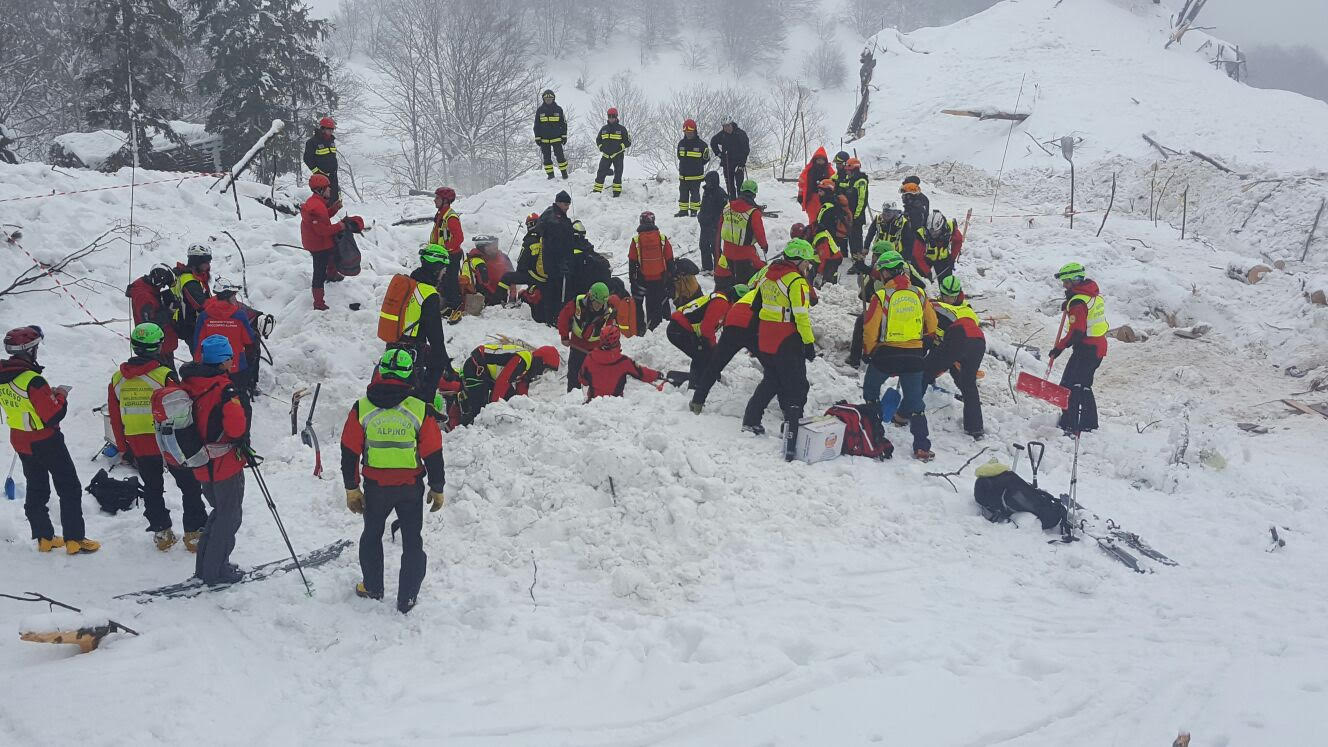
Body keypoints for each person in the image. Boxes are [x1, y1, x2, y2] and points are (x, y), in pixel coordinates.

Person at [340, 349, 445, 614]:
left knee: (372, 536)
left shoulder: (361, 408)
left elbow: (349, 451)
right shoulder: (420, 409)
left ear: (380, 372)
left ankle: (372, 587)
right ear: (410, 375)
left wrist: (352, 488)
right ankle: (407, 598)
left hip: (376, 489)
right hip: (410, 488)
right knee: (412, 542)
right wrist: (437, 486)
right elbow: (433, 452)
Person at [108, 323, 206, 551]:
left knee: (152, 488)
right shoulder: (165, 376)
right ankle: (194, 533)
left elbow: (115, 416)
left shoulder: (117, 379)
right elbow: (183, 409)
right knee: (189, 485)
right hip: (168, 440)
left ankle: (161, 533)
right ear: (159, 346)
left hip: (138, 442)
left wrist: (123, 446)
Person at [0, 326, 98, 554]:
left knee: (37, 486)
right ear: (29, 351)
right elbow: (53, 414)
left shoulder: (4, 376)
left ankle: (44, 537)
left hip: (20, 439)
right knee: (69, 487)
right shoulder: (33, 380)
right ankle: (75, 539)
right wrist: (60, 395)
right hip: (45, 439)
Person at [181, 335, 250, 584]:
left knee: (219, 512)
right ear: (223, 361)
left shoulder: (191, 383)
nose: (233, 360)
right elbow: (235, 428)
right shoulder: (223, 389)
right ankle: (215, 572)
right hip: (223, 463)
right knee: (229, 516)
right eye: (230, 356)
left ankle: (206, 567)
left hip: (200, 460)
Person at [742, 240, 818, 461]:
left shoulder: (767, 275)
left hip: (766, 337)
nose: (809, 268)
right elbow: (801, 315)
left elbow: (755, 307)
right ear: (800, 260)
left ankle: (751, 419)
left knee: (772, 380)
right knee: (797, 384)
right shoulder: (796, 282)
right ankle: (792, 435)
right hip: (787, 338)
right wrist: (808, 342)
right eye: (808, 263)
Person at [860, 251, 939, 462]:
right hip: (914, 355)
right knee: (915, 400)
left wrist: (869, 351)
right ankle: (922, 446)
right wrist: (925, 341)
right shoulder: (920, 294)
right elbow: (932, 324)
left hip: (887, 354)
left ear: (887, 272)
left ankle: (874, 434)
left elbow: (869, 328)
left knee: (871, 389)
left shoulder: (881, 297)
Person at [1050, 262, 1108, 434]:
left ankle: (1070, 425)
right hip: (1098, 347)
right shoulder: (1092, 294)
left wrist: (1059, 348)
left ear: (1075, 280)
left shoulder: (1077, 303)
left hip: (1086, 348)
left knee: (1070, 385)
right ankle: (1089, 423)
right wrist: (1070, 305)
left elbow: (1077, 332)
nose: (1064, 285)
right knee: (1083, 385)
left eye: (1066, 282)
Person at [394, 244, 455, 402]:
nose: (444, 272)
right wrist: (447, 367)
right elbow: (436, 338)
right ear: (436, 268)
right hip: (413, 350)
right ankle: (425, 403)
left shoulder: (410, 283)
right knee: (436, 363)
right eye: (443, 268)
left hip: (395, 343)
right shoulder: (428, 294)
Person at [927, 275, 985, 438]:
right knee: (967, 383)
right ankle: (975, 427)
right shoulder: (967, 311)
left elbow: (939, 312)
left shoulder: (956, 309)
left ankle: (908, 411)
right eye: (946, 295)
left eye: (952, 296)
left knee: (926, 370)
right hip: (975, 344)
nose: (949, 299)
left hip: (957, 342)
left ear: (959, 294)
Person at [688, 282, 760, 413]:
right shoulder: (774, 293)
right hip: (751, 325)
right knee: (773, 369)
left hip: (732, 324)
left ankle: (697, 402)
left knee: (714, 366)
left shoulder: (748, 294)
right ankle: (784, 405)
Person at [301, 173, 364, 310]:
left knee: (332, 253)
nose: (330, 190)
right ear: (320, 190)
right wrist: (340, 226)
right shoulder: (316, 207)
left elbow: (323, 218)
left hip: (315, 241)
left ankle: (332, 275)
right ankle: (318, 303)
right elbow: (322, 230)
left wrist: (334, 209)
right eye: (327, 188)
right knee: (319, 271)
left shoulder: (316, 202)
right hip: (318, 244)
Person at [458, 344, 561, 425]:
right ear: (541, 362)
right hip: (475, 366)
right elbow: (503, 381)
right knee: (478, 408)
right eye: (545, 369)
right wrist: (494, 409)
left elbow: (521, 392)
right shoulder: (523, 359)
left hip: (487, 374)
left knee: (510, 398)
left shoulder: (528, 367)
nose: (542, 373)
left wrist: (524, 411)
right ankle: (464, 430)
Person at [668, 284, 745, 388]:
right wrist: (713, 347)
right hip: (678, 329)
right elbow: (706, 328)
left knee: (704, 354)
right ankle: (695, 386)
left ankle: (699, 381)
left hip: (682, 328)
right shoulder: (721, 303)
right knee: (701, 356)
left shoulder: (721, 299)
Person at [194, 286, 260, 399]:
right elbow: (249, 340)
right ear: (228, 297)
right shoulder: (239, 315)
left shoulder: (204, 316)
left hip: (212, 367)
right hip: (236, 366)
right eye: (233, 296)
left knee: (214, 399)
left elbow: (197, 343)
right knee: (239, 399)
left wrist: (198, 363)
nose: (235, 299)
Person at [557, 281, 617, 391]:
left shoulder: (608, 311)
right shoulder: (577, 302)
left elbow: (609, 331)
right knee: (574, 374)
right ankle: (572, 397)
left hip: (595, 348)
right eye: (597, 303)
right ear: (590, 297)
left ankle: (595, 400)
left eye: (601, 303)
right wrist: (564, 336)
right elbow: (563, 318)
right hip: (577, 345)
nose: (599, 306)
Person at [578, 326, 662, 400]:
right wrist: (657, 375)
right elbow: (642, 374)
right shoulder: (623, 361)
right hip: (615, 405)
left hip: (593, 405)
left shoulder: (590, 358)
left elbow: (583, 380)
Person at [715, 179, 769, 293]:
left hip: (727, 253)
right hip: (745, 256)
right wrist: (764, 245)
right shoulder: (753, 213)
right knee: (746, 288)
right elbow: (759, 232)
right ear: (754, 194)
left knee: (725, 286)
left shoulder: (727, 207)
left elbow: (719, 228)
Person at [628, 211, 676, 331]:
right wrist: (671, 278)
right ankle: (666, 327)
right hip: (661, 279)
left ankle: (646, 328)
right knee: (663, 303)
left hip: (644, 280)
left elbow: (632, 262)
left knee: (647, 305)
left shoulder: (636, 240)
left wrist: (633, 281)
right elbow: (670, 260)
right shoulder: (662, 238)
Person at [127, 264, 182, 367]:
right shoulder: (144, 296)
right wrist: (169, 311)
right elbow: (149, 324)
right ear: (158, 281)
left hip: (161, 344)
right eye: (163, 285)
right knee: (167, 380)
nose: (162, 287)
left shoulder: (149, 289)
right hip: (154, 347)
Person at [538, 191, 576, 325]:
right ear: (559, 203)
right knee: (556, 290)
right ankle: (554, 318)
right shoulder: (554, 220)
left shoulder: (554, 215)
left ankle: (553, 317)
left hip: (554, 260)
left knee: (554, 289)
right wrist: (563, 262)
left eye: (569, 205)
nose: (567, 207)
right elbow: (559, 244)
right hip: (555, 262)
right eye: (565, 204)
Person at [428, 186, 465, 323]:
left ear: (445, 200)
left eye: (437, 198)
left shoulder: (450, 217)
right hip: (442, 255)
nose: (434, 200)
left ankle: (456, 306)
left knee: (451, 281)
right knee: (444, 281)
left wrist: (445, 249)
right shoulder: (441, 215)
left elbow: (459, 238)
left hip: (451, 255)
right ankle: (449, 305)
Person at [173, 244, 213, 353]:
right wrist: (222, 303)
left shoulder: (194, 276)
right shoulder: (189, 281)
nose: (209, 264)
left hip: (191, 323)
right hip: (192, 326)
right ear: (197, 261)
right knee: (201, 357)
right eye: (206, 261)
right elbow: (201, 305)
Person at [460, 235, 513, 308]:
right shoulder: (475, 261)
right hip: (482, 301)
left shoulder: (503, 258)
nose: (496, 247)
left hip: (501, 300)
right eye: (492, 245)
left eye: (496, 245)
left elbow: (512, 278)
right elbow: (471, 284)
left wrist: (512, 298)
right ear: (483, 247)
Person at [813, 179, 849, 286]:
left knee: (826, 267)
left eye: (821, 191)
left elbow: (820, 225)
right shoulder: (834, 205)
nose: (819, 194)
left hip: (826, 243)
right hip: (832, 243)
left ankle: (827, 285)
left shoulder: (827, 207)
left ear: (828, 192)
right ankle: (832, 284)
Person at [592, 108, 631, 197]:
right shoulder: (604, 129)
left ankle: (616, 194)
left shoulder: (622, 129)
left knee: (618, 174)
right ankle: (596, 192)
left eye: (613, 116)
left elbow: (628, 142)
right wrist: (601, 147)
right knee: (600, 173)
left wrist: (620, 147)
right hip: (606, 156)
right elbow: (598, 140)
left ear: (616, 117)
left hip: (618, 155)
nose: (611, 118)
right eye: (609, 116)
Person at [917, 210, 964, 283]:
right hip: (926, 259)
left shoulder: (950, 228)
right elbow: (918, 256)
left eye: (936, 232)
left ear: (942, 226)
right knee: (919, 281)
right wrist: (927, 272)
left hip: (943, 259)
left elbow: (958, 241)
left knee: (946, 282)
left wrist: (952, 258)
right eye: (931, 232)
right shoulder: (921, 234)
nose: (933, 235)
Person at [836, 157, 870, 258]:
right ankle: (854, 258)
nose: (847, 172)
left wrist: (856, 216)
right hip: (850, 215)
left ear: (854, 170)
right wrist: (836, 183)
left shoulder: (861, 181)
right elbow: (846, 185)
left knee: (856, 238)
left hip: (857, 216)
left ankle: (859, 260)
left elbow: (862, 200)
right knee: (851, 237)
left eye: (848, 170)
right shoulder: (851, 180)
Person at [675, 119, 710, 216]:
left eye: (690, 132)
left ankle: (694, 212)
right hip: (683, 176)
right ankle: (683, 211)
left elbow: (706, 158)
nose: (688, 134)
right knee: (683, 194)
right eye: (686, 132)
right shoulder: (681, 143)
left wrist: (696, 165)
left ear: (695, 131)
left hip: (696, 177)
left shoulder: (702, 145)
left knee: (695, 195)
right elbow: (679, 156)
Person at [303, 116, 340, 204]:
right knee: (324, 198)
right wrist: (317, 172)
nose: (331, 131)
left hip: (333, 175)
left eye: (332, 129)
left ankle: (334, 213)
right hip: (321, 177)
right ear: (322, 129)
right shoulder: (312, 142)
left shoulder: (331, 141)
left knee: (334, 197)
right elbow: (307, 159)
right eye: (329, 129)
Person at [709, 119, 750, 198]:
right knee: (730, 185)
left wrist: (742, 163)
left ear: (732, 124)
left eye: (728, 126)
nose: (727, 128)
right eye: (724, 126)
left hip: (739, 163)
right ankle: (732, 202)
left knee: (739, 184)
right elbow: (713, 142)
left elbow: (746, 149)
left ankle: (741, 202)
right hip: (727, 163)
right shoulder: (722, 135)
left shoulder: (740, 134)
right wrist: (719, 154)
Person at [534, 89, 569, 179]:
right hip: (544, 140)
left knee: (560, 157)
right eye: (546, 99)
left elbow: (564, 124)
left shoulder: (558, 109)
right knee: (547, 158)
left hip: (557, 139)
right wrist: (537, 138)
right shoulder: (540, 111)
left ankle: (564, 173)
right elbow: (536, 125)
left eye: (550, 99)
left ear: (553, 99)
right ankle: (550, 175)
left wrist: (564, 136)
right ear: (543, 99)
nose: (548, 100)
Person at [696, 171, 727, 274]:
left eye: (709, 181)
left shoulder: (720, 193)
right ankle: (707, 267)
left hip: (715, 226)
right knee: (703, 245)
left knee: (715, 248)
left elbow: (723, 211)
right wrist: (700, 216)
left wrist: (715, 222)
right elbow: (703, 207)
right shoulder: (706, 191)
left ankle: (719, 268)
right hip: (704, 225)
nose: (707, 183)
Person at [797, 147, 835, 224]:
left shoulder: (829, 170)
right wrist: (800, 196)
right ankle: (813, 234)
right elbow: (802, 184)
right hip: (812, 199)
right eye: (818, 159)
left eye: (822, 160)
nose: (820, 161)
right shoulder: (808, 171)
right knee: (813, 221)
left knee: (825, 219)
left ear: (825, 160)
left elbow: (834, 183)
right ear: (815, 160)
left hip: (826, 199)